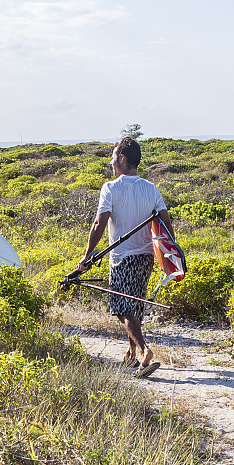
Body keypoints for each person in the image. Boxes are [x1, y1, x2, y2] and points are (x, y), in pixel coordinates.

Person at [76, 136, 175, 378]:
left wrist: (87, 255)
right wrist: (170, 254)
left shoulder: (111, 187)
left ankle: (144, 350)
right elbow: (166, 222)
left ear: (122, 158)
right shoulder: (151, 188)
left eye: (113, 158)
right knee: (135, 306)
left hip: (122, 257)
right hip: (146, 257)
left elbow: (100, 222)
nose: (111, 163)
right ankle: (132, 354)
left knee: (123, 308)